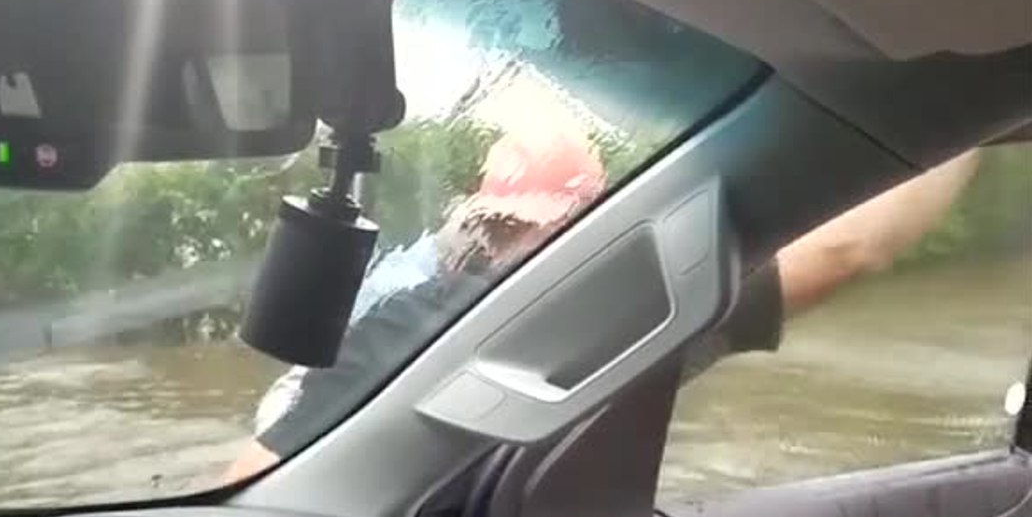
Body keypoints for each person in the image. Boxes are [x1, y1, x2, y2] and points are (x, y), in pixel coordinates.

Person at [222, 127, 981, 483]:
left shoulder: (627, 302)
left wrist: (965, 117)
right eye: (502, 226)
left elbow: (852, 248)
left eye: (535, 225)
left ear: (584, 222)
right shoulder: (415, 324)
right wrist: (963, 116)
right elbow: (257, 484)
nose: (513, 245)